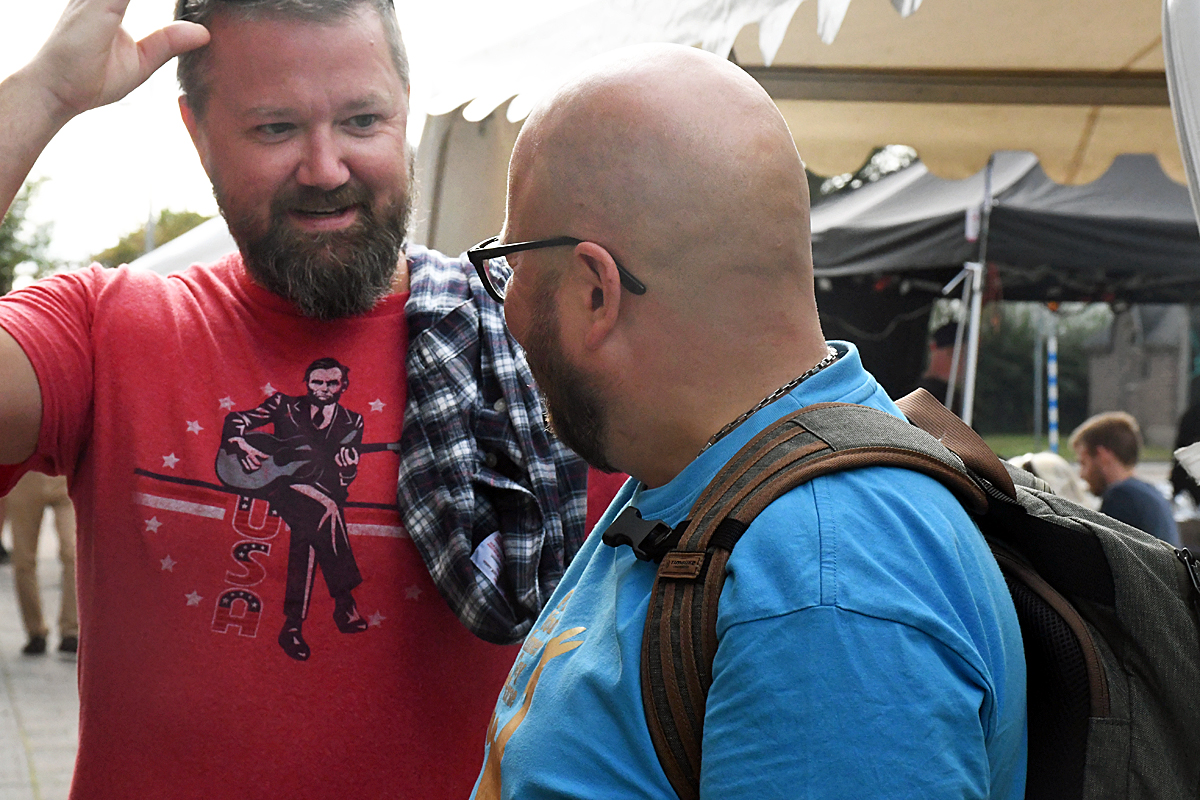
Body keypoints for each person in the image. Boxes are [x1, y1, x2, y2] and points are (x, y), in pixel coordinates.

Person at [0, 1, 606, 797]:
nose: (325, 168)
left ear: (406, 109)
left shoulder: (536, 352)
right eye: (275, 128)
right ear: (198, 134)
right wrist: (42, 94)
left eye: (362, 120)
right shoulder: (104, 332)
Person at [466, 44, 1027, 799]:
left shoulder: (825, 592)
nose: (507, 309)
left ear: (598, 291)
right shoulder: (707, 475)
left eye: (513, 267)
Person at [1070, 411, 1180, 546]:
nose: (1081, 475)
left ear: (1102, 456)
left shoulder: (1121, 496)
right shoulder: (1151, 493)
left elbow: (1100, 553)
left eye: (1084, 463)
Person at [5, 471, 78, 655]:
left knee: (73, 553)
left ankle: (71, 629)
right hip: (24, 479)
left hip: (64, 478)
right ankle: (35, 631)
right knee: (24, 559)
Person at [910, 321, 963, 413]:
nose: (960, 365)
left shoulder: (960, 400)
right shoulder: (914, 396)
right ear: (933, 347)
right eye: (951, 354)